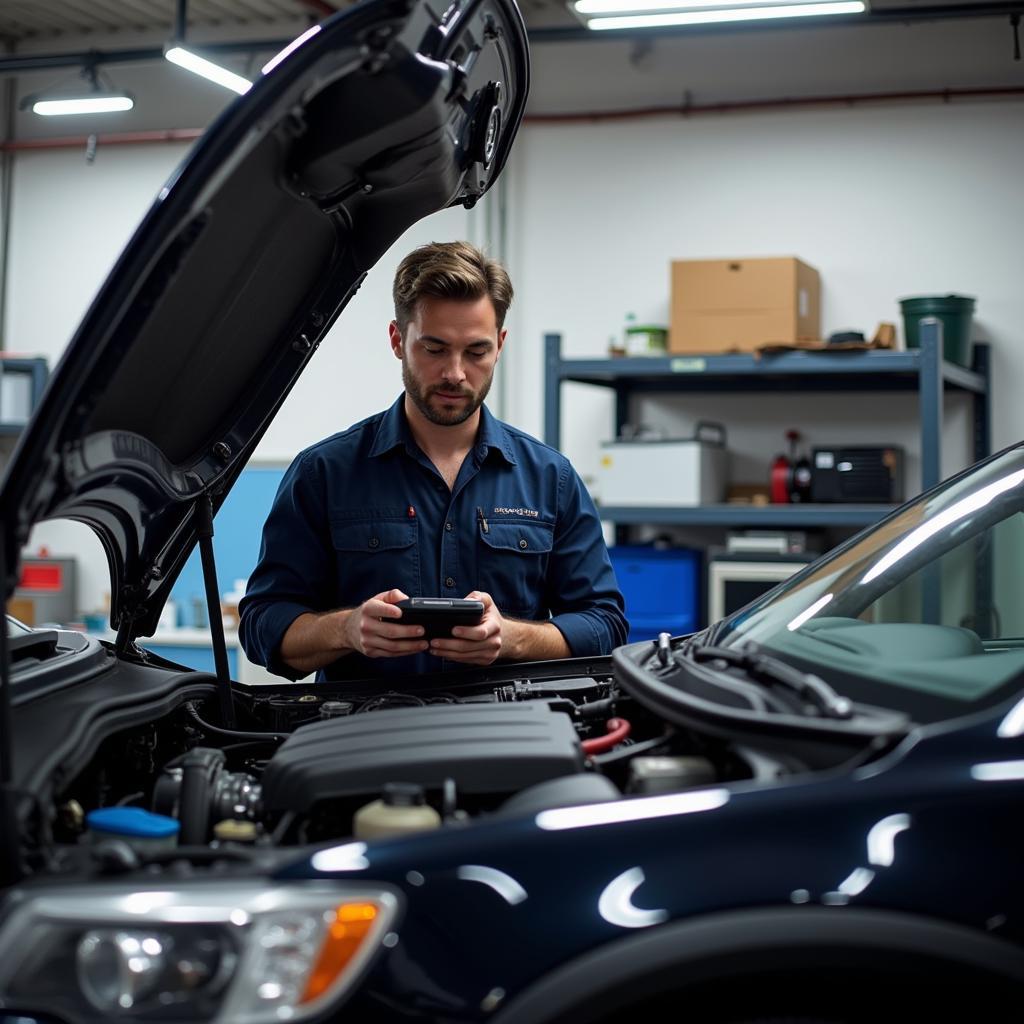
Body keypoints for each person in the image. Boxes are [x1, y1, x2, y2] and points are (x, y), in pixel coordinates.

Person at [239, 240, 628, 681]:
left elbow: (605, 625)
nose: (455, 373)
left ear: (500, 345)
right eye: (435, 349)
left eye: (476, 352)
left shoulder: (550, 478)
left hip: (508, 735)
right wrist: (346, 630)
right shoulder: (323, 473)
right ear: (397, 340)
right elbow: (261, 627)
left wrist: (512, 638)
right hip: (366, 737)